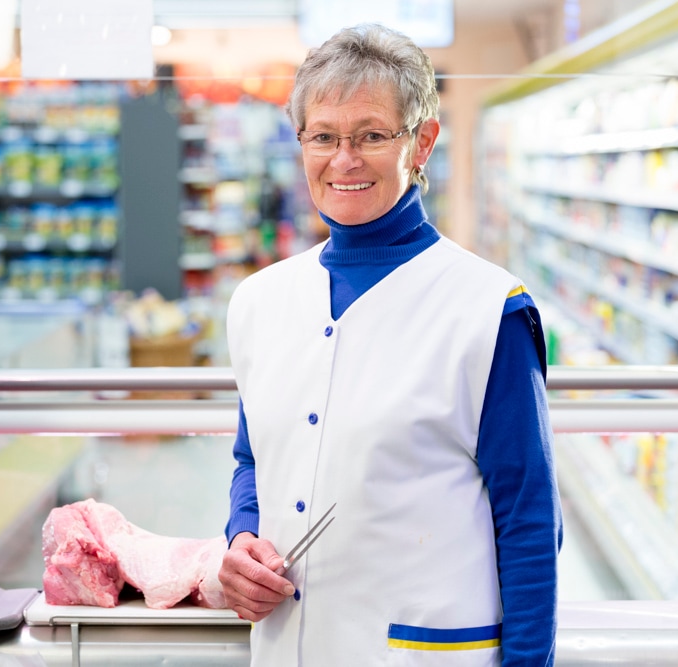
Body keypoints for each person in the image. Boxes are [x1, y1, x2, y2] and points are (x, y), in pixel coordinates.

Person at [218, 23, 562, 667]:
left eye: (372, 135)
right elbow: (252, 461)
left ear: (422, 141)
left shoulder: (489, 310)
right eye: (322, 136)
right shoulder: (260, 303)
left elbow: (529, 520)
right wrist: (241, 539)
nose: (343, 159)